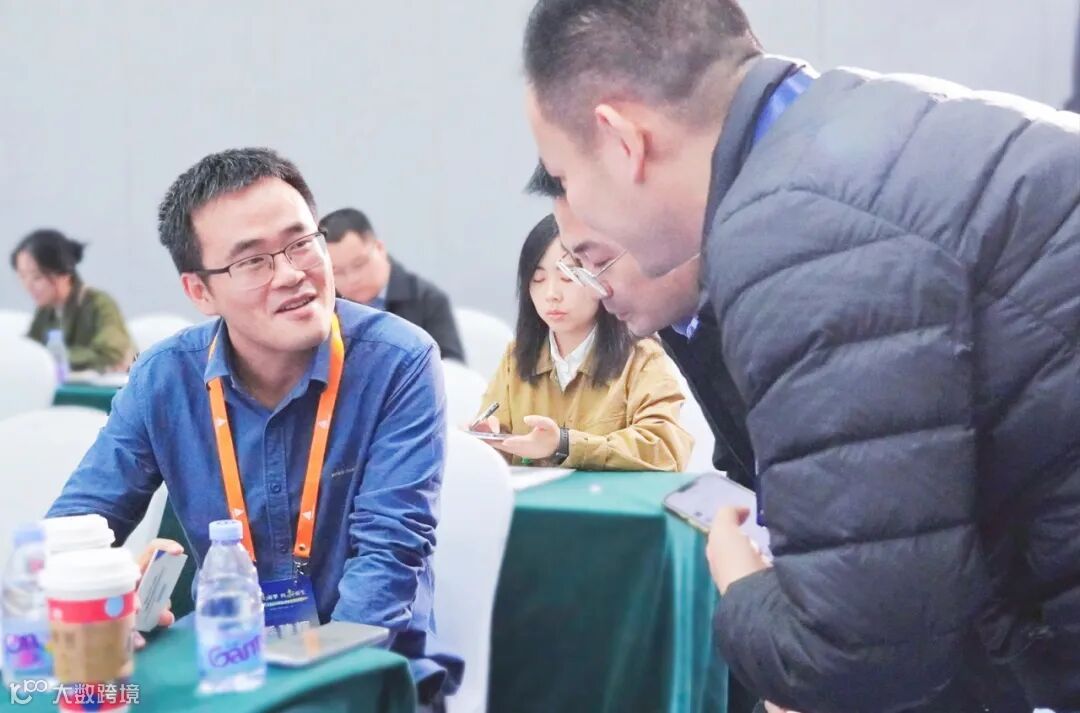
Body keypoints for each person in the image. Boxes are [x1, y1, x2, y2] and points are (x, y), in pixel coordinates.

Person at [523, 0, 1080, 710]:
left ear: (622, 138)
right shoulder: (852, 130)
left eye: (565, 175)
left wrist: (742, 586)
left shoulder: (794, 235)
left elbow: (860, 647)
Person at [46, 147, 461, 706]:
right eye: (252, 261)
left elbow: (388, 559)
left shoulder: (398, 361)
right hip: (225, 661)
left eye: (301, 243)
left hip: (361, 670)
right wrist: (101, 596)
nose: (291, 274)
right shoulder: (165, 378)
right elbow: (74, 528)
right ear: (200, 291)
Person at [527, 162, 755, 489]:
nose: (596, 290)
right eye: (578, 267)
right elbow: (744, 463)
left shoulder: (759, 311)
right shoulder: (679, 324)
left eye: (600, 262)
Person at [476, 214, 692, 472]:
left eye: (567, 278)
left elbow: (665, 449)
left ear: (596, 278)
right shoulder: (516, 356)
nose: (551, 294)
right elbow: (498, 449)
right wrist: (487, 442)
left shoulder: (641, 355)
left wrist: (565, 444)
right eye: (538, 279)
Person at [319, 207, 465, 362]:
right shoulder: (324, 307)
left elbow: (452, 369)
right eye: (337, 271)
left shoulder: (428, 300)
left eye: (359, 264)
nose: (352, 279)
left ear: (380, 248)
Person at [11, 228, 135, 372]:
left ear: (64, 273)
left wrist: (52, 359)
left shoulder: (99, 304)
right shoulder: (45, 311)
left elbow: (111, 354)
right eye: (22, 276)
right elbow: (30, 351)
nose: (28, 286)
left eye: (37, 277)